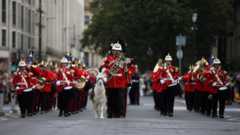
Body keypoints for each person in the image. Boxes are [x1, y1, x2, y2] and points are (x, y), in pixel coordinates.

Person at [100, 42, 129, 118]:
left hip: (120, 82)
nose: (116, 52)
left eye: (118, 51)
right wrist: (107, 70)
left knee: (120, 99)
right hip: (111, 81)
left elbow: (125, 71)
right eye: (114, 50)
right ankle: (110, 113)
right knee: (110, 99)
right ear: (112, 51)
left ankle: (119, 113)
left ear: (120, 51)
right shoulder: (108, 58)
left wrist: (127, 80)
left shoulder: (122, 59)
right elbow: (103, 67)